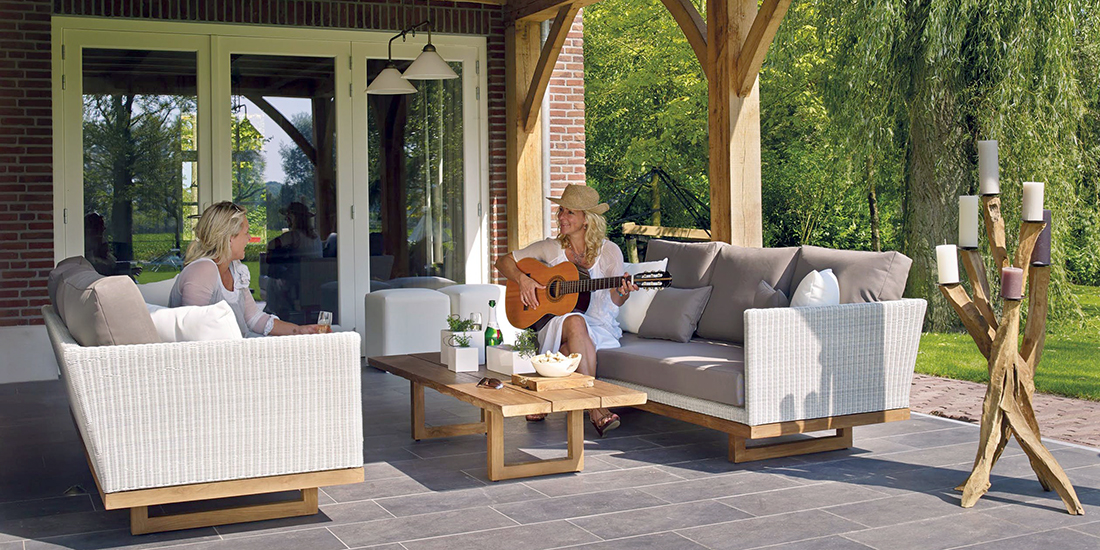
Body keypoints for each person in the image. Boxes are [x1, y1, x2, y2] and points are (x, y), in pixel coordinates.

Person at [494, 184, 638, 436]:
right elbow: (502, 261)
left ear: (586, 220)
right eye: (561, 210)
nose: (561, 217)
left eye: (569, 212)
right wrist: (523, 279)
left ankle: (547, 394)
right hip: (555, 323)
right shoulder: (550, 248)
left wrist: (623, 292)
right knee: (573, 319)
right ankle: (595, 408)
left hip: (599, 326)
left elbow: (615, 300)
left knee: (567, 348)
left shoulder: (610, 252)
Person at [170, 201, 327, 337]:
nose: (250, 238)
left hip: (236, 351)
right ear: (230, 238)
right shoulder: (203, 270)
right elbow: (193, 332)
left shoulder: (235, 269)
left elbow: (253, 318)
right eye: (246, 232)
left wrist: (299, 330)